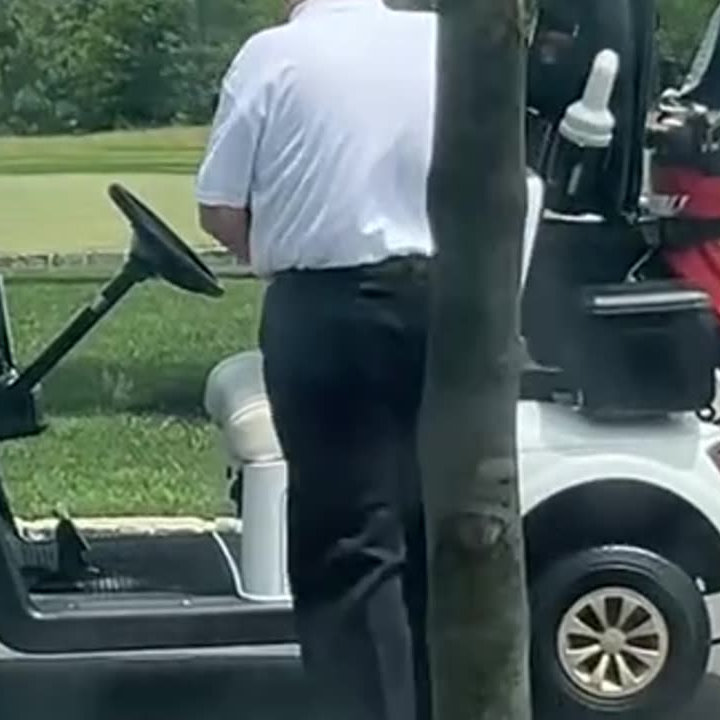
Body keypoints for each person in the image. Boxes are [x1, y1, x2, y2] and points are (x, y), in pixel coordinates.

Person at [194, 2, 438, 719]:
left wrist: (277, 250)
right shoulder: (438, 43)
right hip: (443, 310)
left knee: (351, 542)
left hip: (328, 313)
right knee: (425, 531)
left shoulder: (274, 55)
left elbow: (219, 208)